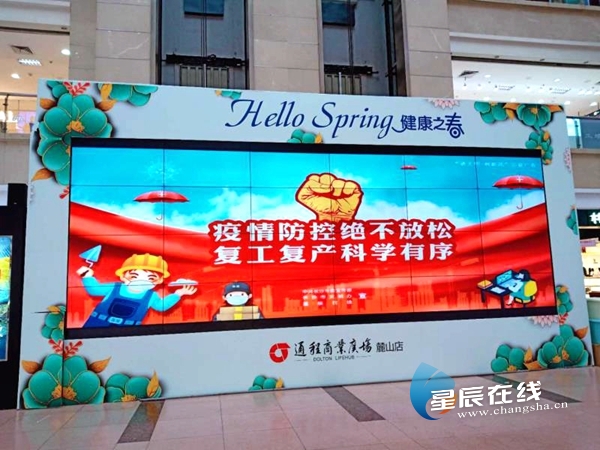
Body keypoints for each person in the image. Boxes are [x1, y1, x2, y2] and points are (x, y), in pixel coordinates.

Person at [78, 253, 197, 328]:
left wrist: (178, 294)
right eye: (134, 276)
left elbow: (161, 306)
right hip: (97, 325)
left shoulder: (151, 296)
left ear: (159, 281)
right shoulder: (114, 287)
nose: (141, 280)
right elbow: (94, 290)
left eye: (151, 278)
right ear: (123, 276)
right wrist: (87, 277)